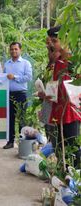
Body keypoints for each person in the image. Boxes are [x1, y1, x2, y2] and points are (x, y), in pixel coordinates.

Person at [45, 26, 81, 167]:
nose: (52, 44)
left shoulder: (74, 63)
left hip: (71, 111)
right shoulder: (58, 61)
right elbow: (54, 85)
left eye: (55, 41)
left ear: (65, 40)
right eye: (51, 41)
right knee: (60, 145)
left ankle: (76, 177)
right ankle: (63, 174)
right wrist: (46, 94)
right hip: (58, 110)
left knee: (72, 145)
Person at [3, 42, 33, 149]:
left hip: (21, 94)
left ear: (20, 50)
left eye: (16, 49)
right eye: (11, 49)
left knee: (21, 119)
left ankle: (22, 142)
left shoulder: (26, 63)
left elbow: (28, 77)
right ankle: (10, 142)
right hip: (9, 95)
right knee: (10, 119)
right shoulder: (7, 64)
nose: (13, 51)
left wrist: (15, 77)